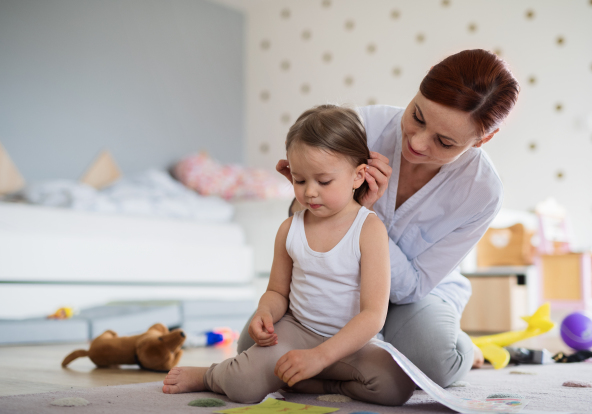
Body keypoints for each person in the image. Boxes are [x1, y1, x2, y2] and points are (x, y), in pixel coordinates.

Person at [237, 49, 520, 387]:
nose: (416, 142)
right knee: (251, 348)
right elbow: (300, 219)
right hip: (333, 282)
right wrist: (310, 189)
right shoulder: (360, 128)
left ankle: (466, 349)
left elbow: (412, 287)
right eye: (417, 116)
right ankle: (363, 356)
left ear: (483, 139)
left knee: (434, 362)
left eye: (444, 142)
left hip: (412, 297)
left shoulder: (481, 192)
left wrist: (363, 215)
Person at [162, 105, 416, 405]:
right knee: (242, 384)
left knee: (397, 385)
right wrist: (265, 313)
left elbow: (373, 315)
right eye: (299, 180)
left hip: (349, 344)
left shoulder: (369, 229)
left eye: (323, 181)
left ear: (358, 176)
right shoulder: (289, 229)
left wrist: (321, 357)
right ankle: (209, 375)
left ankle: (315, 382)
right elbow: (276, 291)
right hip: (296, 333)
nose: (310, 192)